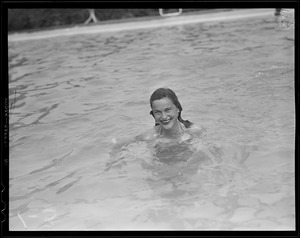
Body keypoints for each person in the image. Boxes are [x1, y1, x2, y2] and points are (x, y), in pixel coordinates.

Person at [110, 88, 203, 158]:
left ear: (177, 109)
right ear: (153, 114)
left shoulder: (194, 131)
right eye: (158, 112)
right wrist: (114, 163)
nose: (164, 116)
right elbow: (118, 144)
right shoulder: (150, 137)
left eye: (168, 110)